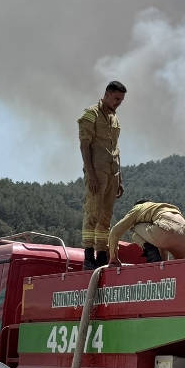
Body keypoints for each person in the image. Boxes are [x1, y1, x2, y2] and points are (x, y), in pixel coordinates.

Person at [79, 81, 126, 269]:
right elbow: (84, 146)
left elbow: (116, 149)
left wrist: (120, 178)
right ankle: (88, 256)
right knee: (93, 213)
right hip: (97, 172)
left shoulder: (115, 119)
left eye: (121, 100)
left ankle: (101, 255)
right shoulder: (91, 115)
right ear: (107, 94)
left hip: (112, 174)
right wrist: (90, 174)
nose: (118, 103)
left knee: (106, 216)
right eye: (116, 98)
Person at [107, 200, 185, 267]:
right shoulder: (162, 208)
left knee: (135, 227)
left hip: (164, 231)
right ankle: (156, 259)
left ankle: (151, 253)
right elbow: (163, 244)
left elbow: (115, 232)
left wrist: (113, 258)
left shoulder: (139, 208)